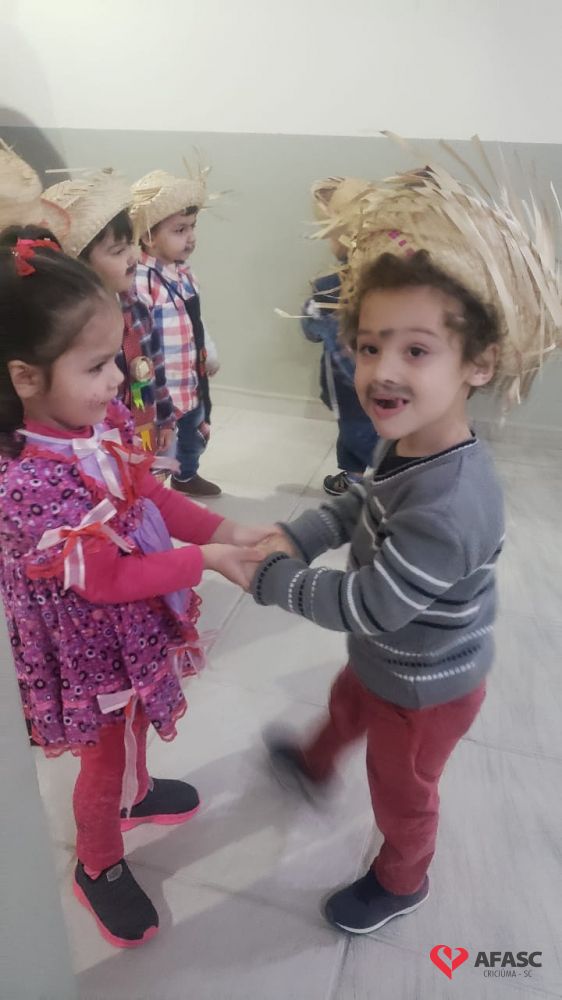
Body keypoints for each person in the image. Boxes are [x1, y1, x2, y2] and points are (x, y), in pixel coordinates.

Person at [234, 160, 562, 934]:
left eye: (417, 350)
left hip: (426, 690)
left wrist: (275, 579)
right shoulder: (410, 440)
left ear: (479, 363)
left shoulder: (451, 504)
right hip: (388, 663)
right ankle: (316, 763)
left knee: (402, 788)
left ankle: (402, 877)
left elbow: (373, 605)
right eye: (369, 345)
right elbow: (361, 503)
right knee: (347, 702)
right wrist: (302, 533)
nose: (381, 371)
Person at [0, 231, 274, 948]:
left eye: (114, 357)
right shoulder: (29, 482)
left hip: (128, 622)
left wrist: (224, 527)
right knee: (104, 756)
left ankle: (138, 796)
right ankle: (98, 863)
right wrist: (205, 558)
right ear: (25, 377)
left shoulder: (97, 420)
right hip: (88, 641)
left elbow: (144, 491)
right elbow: (107, 578)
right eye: (96, 366)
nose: (117, 378)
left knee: (136, 720)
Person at [45, 170, 176, 458]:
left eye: (132, 244)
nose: (133, 257)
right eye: (117, 251)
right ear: (78, 266)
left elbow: (155, 369)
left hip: (144, 432)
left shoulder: (137, 309)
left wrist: (165, 419)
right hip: (101, 446)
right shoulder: (72, 330)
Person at [130, 166, 221, 498]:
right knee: (160, 448)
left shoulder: (183, 272)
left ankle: (187, 475)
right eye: (180, 230)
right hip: (160, 390)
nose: (191, 237)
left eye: (192, 227)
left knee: (194, 435)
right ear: (147, 237)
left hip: (190, 379)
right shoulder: (142, 279)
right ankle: (156, 497)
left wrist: (209, 349)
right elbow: (136, 339)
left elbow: (195, 319)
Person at [302, 177, 378, 496]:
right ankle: (386, 474)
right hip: (394, 376)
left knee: (353, 424)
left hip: (348, 380)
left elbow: (310, 328)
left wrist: (312, 315)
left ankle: (358, 477)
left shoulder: (329, 287)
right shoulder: (399, 280)